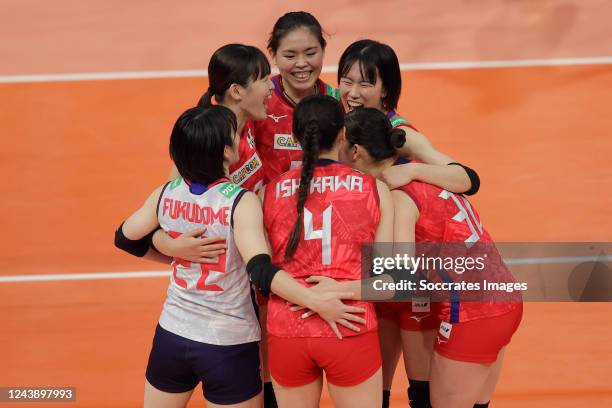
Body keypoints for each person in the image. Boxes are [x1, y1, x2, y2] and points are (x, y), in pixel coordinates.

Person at [114, 104, 367, 408]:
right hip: (228, 343)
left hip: (172, 334)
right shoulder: (241, 202)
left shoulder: (166, 193)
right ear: (225, 152)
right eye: (235, 137)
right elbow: (260, 270)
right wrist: (314, 299)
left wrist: (170, 250)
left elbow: (125, 238)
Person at [339, 107, 522, 408]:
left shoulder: (398, 196)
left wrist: (332, 289)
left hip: (474, 314)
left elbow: (400, 281)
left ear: (355, 150)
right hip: (503, 300)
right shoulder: (426, 173)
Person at [337, 39, 482, 407]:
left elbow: (467, 179)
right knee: (372, 391)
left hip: (409, 275)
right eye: (346, 80)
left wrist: (413, 169)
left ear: (387, 89)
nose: (353, 92)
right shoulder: (340, 123)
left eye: (366, 83)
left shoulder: (400, 133)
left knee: (423, 389)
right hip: (372, 270)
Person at [261, 95, 394, 408]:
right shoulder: (375, 189)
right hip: (350, 322)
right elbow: (391, 283)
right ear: (343, 136)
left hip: (287, 329)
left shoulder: (267, 192)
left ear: (295, 137)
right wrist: (341, 289)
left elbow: (262, 274)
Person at [254, 11, 339, 185]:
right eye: (290, 56)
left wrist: (410, 168)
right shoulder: (257, 101)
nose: (301, 63)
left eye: (310, 53)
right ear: (272, 54)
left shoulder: (338, 102)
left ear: (323, 50)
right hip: (268, 207)